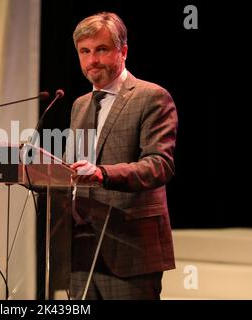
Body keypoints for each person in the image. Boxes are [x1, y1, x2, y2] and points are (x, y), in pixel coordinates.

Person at [67, 12, 178, 300]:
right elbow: (75, 170)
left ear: (123, 51)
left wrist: (103, 173)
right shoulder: (79, 105)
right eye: (85, 51)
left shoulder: (152, 97)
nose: (93, 61)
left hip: (131, 248)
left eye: (102, 50)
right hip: (82, 248)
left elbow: (159, 165)